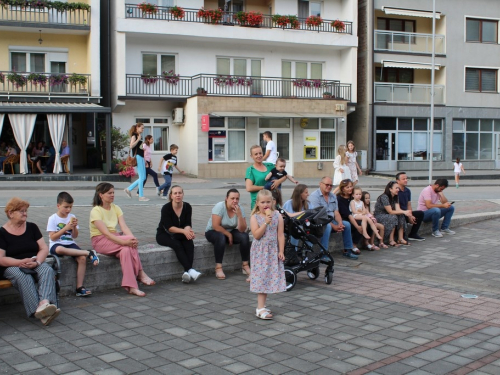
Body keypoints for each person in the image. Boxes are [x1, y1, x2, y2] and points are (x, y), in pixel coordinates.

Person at [0, 198, 60, 325]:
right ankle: (38, 311)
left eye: (26, 211)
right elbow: (1, 259)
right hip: (13, 264)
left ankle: (44, 303)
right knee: (23, 276)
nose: (25, 214)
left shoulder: (32, 227)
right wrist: (19, 262)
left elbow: (44, 248)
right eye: (21, 211)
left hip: (33, 261)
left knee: (47, 270)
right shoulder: (2, 233)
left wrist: (37, 262)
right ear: (10, 213)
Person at [90, 182, 155, 297]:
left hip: (115, 238)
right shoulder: (96, 211)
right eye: (109, 193)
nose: (112, 195)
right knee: (127, 244)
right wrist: (126, 241)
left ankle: (131, 286)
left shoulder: (116, 208)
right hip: (100, 241)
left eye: (113, 192)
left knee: (126, 250)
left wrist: (132, 239)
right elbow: (106, 234)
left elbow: (124, 227)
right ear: (101, 195)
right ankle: (140, 273)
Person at [47, 192, 99, 297]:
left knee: (82, 259)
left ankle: (79, 287)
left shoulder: (72, 216)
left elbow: (74, 236)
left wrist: (74, 227)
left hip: (70, 243)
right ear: (58, 206)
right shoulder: (53, 218)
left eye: (70, 207)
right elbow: (52, 237)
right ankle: (88, 252)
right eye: (66, 207)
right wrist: (65, 229)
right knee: (60, 250)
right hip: (56, 244)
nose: (68, 210)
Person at [250, 189, 286, 320]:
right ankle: (260, 308)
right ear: (257, 203)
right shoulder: (255, 217)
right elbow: (256, 235)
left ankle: (263, 305)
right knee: (262, 278)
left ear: (273, 202)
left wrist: (281, 250)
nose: (266, 205)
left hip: (272, 250)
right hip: (260, 251)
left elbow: (280, 235)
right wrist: (265, 222)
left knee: (269, 277)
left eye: (268, 202)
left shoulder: (277, 215)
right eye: (263, 202)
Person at [156, 185, 201, 283]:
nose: (178, 195)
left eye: (180, 193)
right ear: (171, 196)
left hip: (179, 233)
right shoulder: (166, 208)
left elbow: (188, 223)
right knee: (177, 244)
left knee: (189, 242)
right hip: (164, 234)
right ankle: (190, 269)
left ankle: (186, 273)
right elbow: (169, 228)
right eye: (175, 193)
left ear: (183, 194)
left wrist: (188, 231)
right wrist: (184, 232)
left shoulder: (187, 206)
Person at [205, 189, 250, 281]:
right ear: (226, 198)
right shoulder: (220, 207)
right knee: (221, 237)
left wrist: (239, 215)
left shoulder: (239, 208)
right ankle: (218, 268)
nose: (235, 201)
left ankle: (245, 265)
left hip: (230, 231)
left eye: (237, 198)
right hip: (212, 231)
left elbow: (242, 229)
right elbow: (215, 226)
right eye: (232, 198)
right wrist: (228, 234)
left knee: (245, 236)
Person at [309, 177, 358, 260]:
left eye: (331, 185)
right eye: (327, 185)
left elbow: (336, 212)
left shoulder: (332, 196)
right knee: (327, 227)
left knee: (347, 224)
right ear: (320, 184)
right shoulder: (314, 196)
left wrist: (340, 223)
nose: (329, 187)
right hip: (319, 222)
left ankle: (347, 250)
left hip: (331, 220)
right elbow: (318, 216)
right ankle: (323, 253)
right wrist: (333, 226)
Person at [245, 145, 286, 209]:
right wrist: (266, 187)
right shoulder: (250, 170)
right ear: (251, 156)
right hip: (259, 205)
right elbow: (249, 188)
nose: (259, 156)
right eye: (256, 154)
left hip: (272, 202)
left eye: (260, 153)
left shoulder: (270, 166)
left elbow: (284, 175)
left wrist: (278, 181)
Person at [374, 181, 411, 247]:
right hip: (379, 215)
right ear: (390, 189)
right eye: (396, 188)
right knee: (393, 217)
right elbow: (390, 211)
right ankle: (391, 240)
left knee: (401, 215)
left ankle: (400, 238)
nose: (398, 190)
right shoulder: (384, 197)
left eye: (398, 188)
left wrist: (406, 212)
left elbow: (398, 209)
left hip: (389, 214)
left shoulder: (396, 197)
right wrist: (404, 211)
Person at [396, 172, 425, 241]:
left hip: (406, 213)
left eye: (406, 178)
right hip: (398, 213)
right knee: (402, 216)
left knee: (420, 213)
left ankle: (413, 234)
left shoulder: (407, 191)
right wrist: (409, 216)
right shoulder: (396, 191)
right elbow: (397, 208)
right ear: (398, 181)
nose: (406, 180)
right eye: (403, 179)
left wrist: (411, 215)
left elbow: (408, 204)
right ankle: (400, 237)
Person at [124, 123, 149, 201]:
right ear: (137, 127)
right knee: (142, 178)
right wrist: (138, 139)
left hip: (141, 157)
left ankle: (128, 189)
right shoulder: (134, 136)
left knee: (143, 177)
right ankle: (141, 196)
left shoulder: (138, 135)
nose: (143, 129)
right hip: (138, 157)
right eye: (142, 128)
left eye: (143, 128)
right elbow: (131, 146)